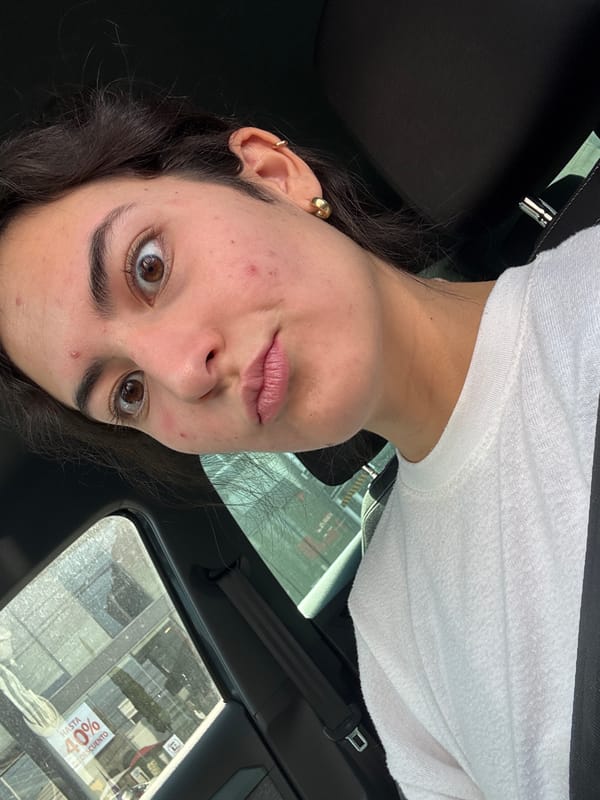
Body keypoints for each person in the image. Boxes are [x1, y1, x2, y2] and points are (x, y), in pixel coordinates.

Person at [0, 88, 598, 800]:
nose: (182, 372)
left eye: (149, 267)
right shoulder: (388, 631)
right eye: (128, 393)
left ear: (272, 177)